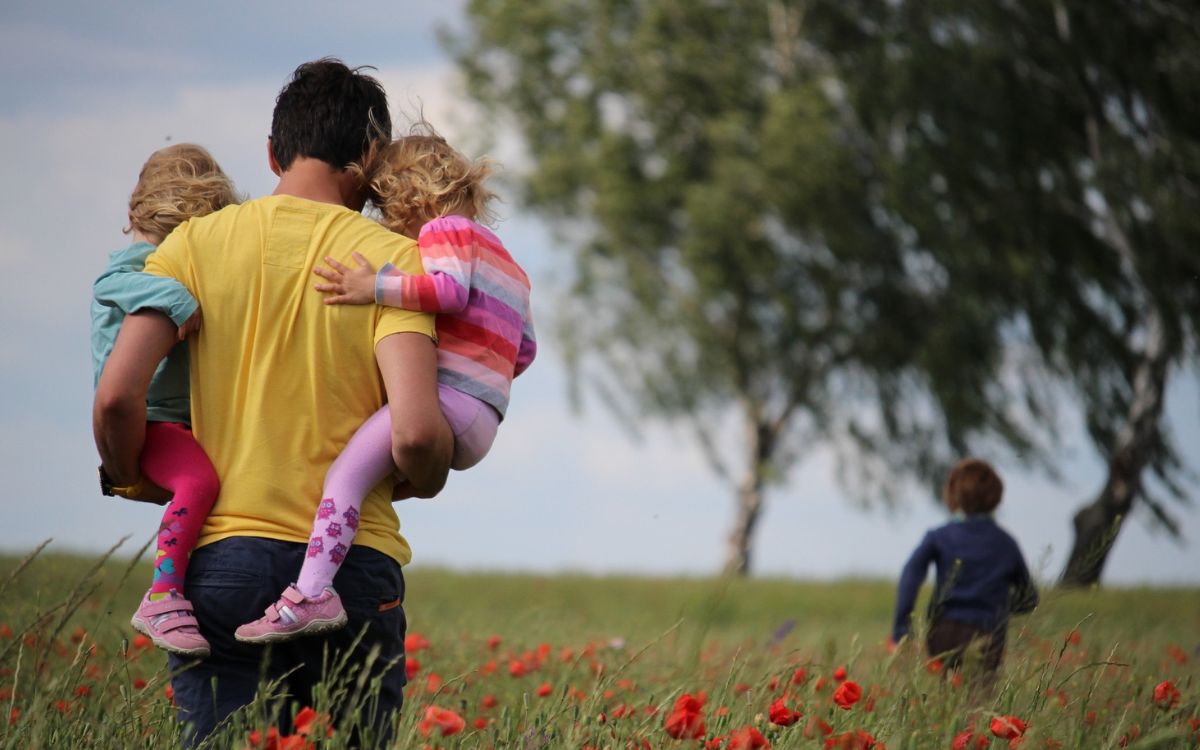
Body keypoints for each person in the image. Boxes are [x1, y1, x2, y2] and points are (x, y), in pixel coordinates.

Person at [93, 58, 454, 745]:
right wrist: (427, 476)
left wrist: (131, 472)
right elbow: (414, 434)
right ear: (371, 158)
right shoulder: (392, 263)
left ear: (271, 153)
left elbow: (116, 396)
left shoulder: (190, 246)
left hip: (221, 562)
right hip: (351, 570)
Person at [235, 129, 537, 643]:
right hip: (485, 417)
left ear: (410, 198)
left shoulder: (444, 230)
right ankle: (329, 564)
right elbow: (524, 350)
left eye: (387, 210)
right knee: (371, 479)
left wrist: (372, 286)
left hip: (448, 401)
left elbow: (447, 292)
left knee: (344, 478)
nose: (391, 225)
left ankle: (311, 593)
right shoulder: (509, 263)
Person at [92, 143, 238, 658]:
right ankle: (163, 594)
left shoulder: (159, 259)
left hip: (173, 420)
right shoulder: (139, 264)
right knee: (199, 483)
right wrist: (178, 299)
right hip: (152, 420)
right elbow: (110, 284)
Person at [890, 458, 1038, 682]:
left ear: (952, 495)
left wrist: (902, 629)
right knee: (980, 696)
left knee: (947, 692)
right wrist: (999, 607)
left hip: (944, 630)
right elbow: (1029, 598)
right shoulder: (1006, 543)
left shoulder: (939, 537)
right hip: (988, 632)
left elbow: (910, 575)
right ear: (996, 497)